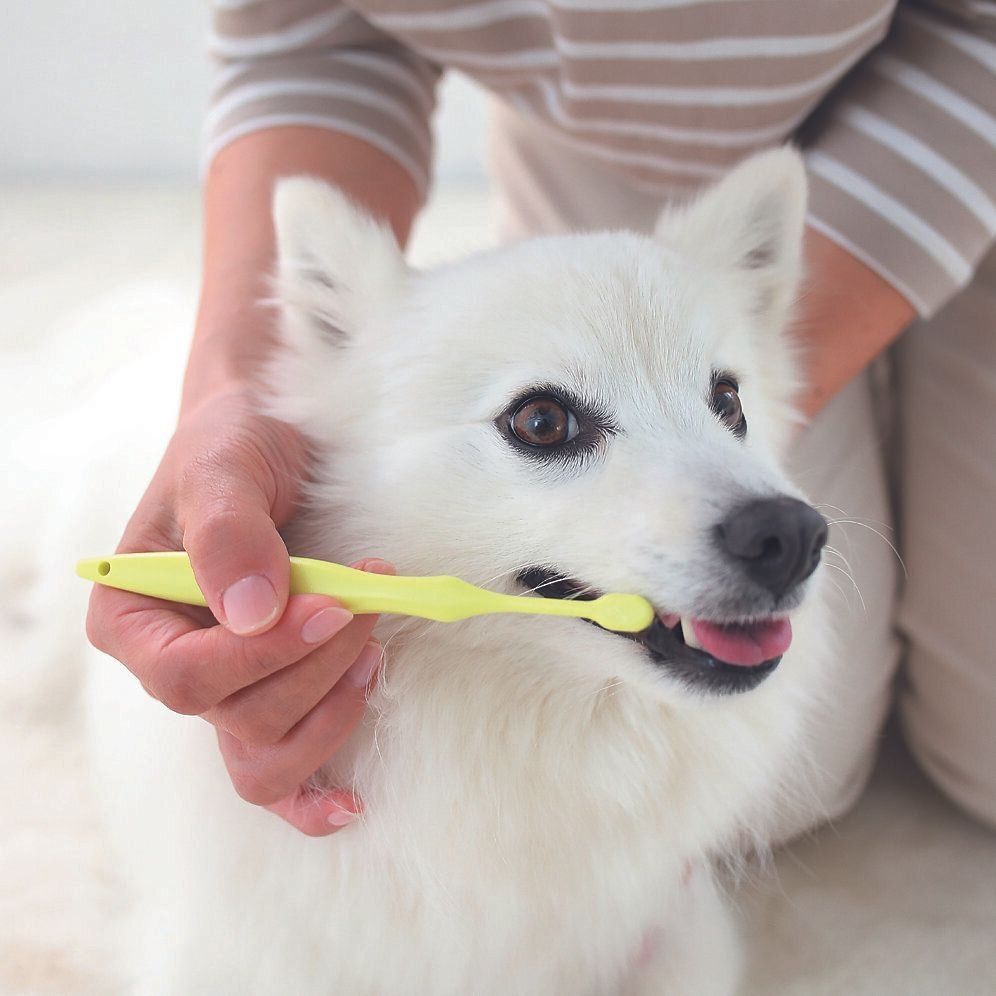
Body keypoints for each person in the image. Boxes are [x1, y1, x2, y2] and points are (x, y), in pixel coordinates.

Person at [86, 1, 995, 839]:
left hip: (967, 84)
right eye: (547, 425)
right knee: (802, 783)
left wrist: (745, 366)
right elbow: (313, 39)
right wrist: (235, 385)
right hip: (608, 128)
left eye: (725, 403)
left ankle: (914, 326)